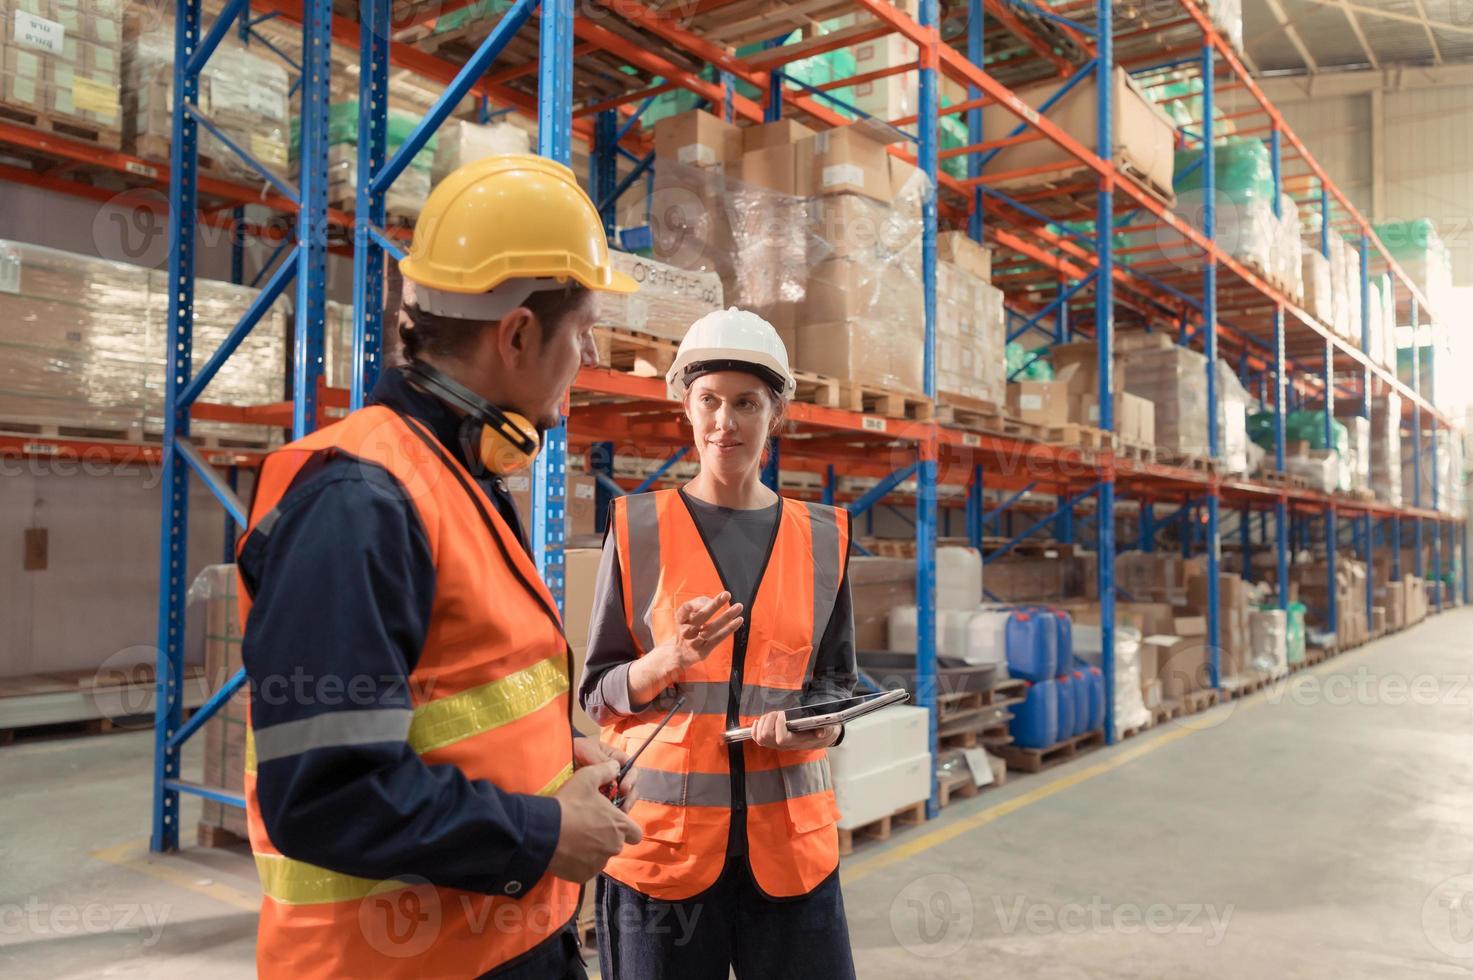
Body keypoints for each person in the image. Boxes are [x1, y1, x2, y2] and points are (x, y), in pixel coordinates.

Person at [235, 155, 644, 979]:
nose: (588, 355)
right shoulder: (359, 504)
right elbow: (324, 794)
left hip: (497, 943)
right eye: (583, 332)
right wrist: (542, 832)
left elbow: (454, 696)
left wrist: (556, 752)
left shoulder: (450, 471)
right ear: (519, 334)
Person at [579, 308, 859, 978]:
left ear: (776, 414)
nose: (724, 423)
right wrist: (662, 661)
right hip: (661, 857)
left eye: (745, 403)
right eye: (707, 401)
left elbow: (837, 687)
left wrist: (814, 728)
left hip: (790, 853)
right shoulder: (638, 527)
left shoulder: (823, 538)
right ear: (684, 406)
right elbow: (596, 693)